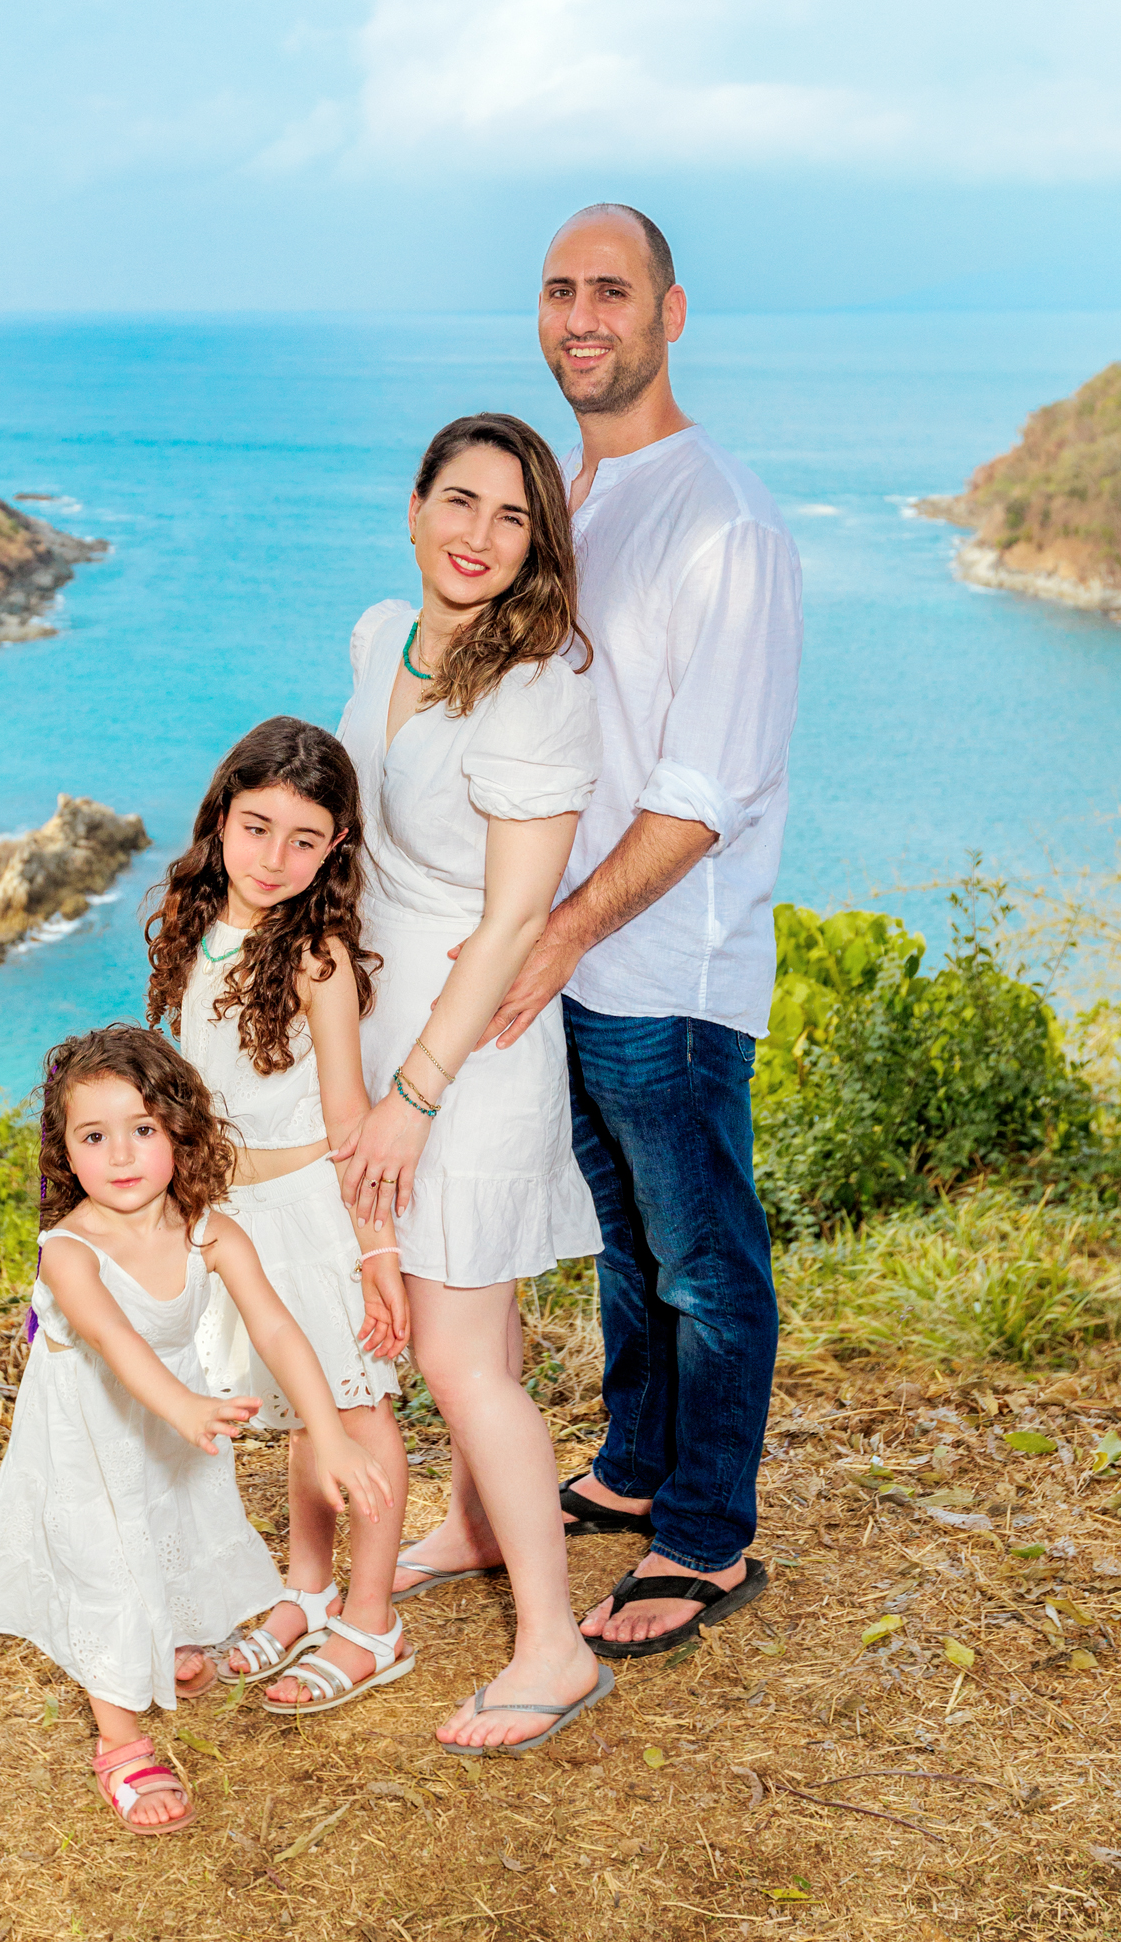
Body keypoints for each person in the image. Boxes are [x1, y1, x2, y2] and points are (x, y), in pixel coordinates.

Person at [479, 203, 803, 1658]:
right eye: (559, 291)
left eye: (611, 290)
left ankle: (706, 1535)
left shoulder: (719, 517)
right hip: (583, 960)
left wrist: (553, 933)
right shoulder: (576, 494)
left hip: (668, 967)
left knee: (702, 1258)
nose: (581, 317)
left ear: (672, 313)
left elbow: (700, 792)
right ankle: (636, 1464)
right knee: (625, 1244)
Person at [333, 412, 612, 1755]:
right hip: (386, 1025)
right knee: (478, 1333)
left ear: (538, 543)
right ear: (414, 503)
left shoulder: (537, 686)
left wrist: (417, 1089)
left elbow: (512, 922)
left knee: (452, 1349)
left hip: (473, 1050)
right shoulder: (380, 631)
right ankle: (476, 1529)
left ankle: (555, 1650)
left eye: (511, 517)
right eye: (459, 501)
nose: (477, 536)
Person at [0, 1024, 391, 1835]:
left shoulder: (210, 1231)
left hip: (171, 1427)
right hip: (89, 1436)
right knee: (106, 1567)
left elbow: (279, 1330)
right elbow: (118, 1345)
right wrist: (187, 1408)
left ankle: (169, 1637)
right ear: (66, 1153)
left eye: (143, 1130)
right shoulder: (69, 1252)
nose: (120, 1155)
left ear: (180, 1131)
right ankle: (120, 1741)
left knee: (176, 1530)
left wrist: (328, 1432)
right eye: (94, 1136)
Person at [145, 717, 413, 1715]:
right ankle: (308, 1589)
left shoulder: (318, 959)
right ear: (220, 817)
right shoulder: (196, 926)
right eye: (256, 827)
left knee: (352, 1411)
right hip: (232, 1215)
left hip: (311, 1213)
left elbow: (349, 1114)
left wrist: (376, 1251)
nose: (274, 859)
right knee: (305, 1412)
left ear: (335, 848)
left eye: (304, 840)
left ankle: (374, 1622)